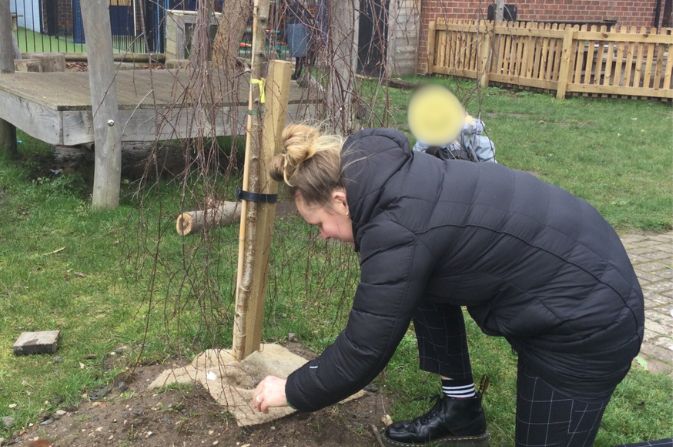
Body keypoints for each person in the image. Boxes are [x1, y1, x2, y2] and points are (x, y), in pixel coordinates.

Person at [252, 124, 645, 446]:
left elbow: (363, 350)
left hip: (588, 321)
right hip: (579, 267)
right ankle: (461, 410)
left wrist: (291, 389)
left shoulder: (398, 230)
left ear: (339, 200)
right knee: (419, 288)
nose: (322, 236)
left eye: (318, 224)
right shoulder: (388, 177)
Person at [283, 0, 313, 80]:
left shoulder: (294, 6)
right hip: (299, 29)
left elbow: (288, 14)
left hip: (298, 29)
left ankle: (298, 74)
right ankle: (299, 74)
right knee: (301, 56)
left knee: (300, 56)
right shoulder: (298, 6)